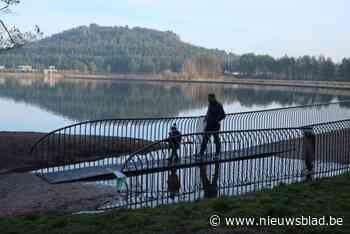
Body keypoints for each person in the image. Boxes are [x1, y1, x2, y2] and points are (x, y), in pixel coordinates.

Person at [199, 94, 225, 159]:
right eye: (208, 98)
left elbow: (223, 115)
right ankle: (201, 154)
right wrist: (206, 118)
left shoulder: (219, 105)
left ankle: (217, 154)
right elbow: (208, 113)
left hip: (215, 126)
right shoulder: (210, 105)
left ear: (213, 98)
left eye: (209, 98)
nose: (208, 99)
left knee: (216, 140)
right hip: (208, 125)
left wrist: (216, 120)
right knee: (205, 140)